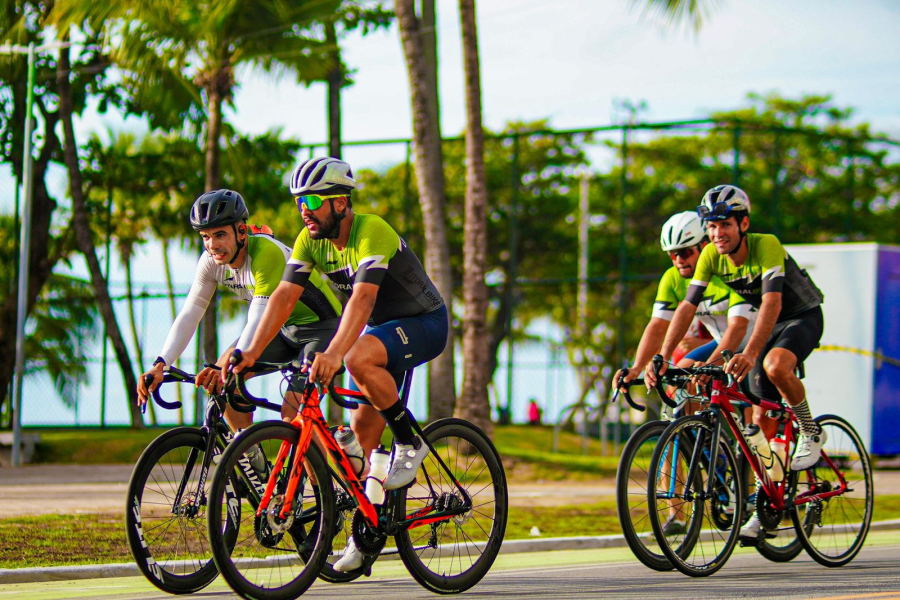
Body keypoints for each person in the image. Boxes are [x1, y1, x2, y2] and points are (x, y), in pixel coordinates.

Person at [228, 157, 449, 572]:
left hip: (425, 323)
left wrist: (333, 354)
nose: (305, 210)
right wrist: (252, 350)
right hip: (383, 334)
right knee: (362, 448)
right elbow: (283, 296)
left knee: (355, 355)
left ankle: (411, 442)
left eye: (313, 201)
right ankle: (366, 535)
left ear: (341, 203)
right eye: (300, 203)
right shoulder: (309, 241)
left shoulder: (371, 231)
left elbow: (363, 300)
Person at [645, 184, 825, 540]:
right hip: (767, 326)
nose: (717, 234)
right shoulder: (711, 256)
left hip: (800, 317)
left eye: (725, 225)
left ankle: (810, 430)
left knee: (775, 366)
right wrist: (662, 357)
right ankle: (763, 503)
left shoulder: (766, 244)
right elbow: (687, 307)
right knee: (759, 421)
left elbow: (772, 303)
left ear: (743, 224)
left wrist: (751, 353)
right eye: (711, 227)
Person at [137, 189, 343, 435]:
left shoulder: (266, 254)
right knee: (223, 386)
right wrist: (161, 363)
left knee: (293, 414)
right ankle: (248, 455)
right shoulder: (210, 262)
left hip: (322, 330)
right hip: (280, 330)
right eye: (205, 237)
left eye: (220, 235)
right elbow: (191, 312)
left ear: (242, 231)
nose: (212, 245)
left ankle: (323, 461)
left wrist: (227, 364)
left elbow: (258, 318)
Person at [614, 210, 756, 535]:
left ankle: (757, 487)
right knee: (682, 391)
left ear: (705, 245)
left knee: (754, 425)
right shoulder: (673, 278)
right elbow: (657, 326)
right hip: (721, 344)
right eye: (672, 254)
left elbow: (738, 329)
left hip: (751, 345)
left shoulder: (728, 271)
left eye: (685, 252)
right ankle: (711, 467)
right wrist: (638, 366)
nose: (678, 260)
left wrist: (713, 361)